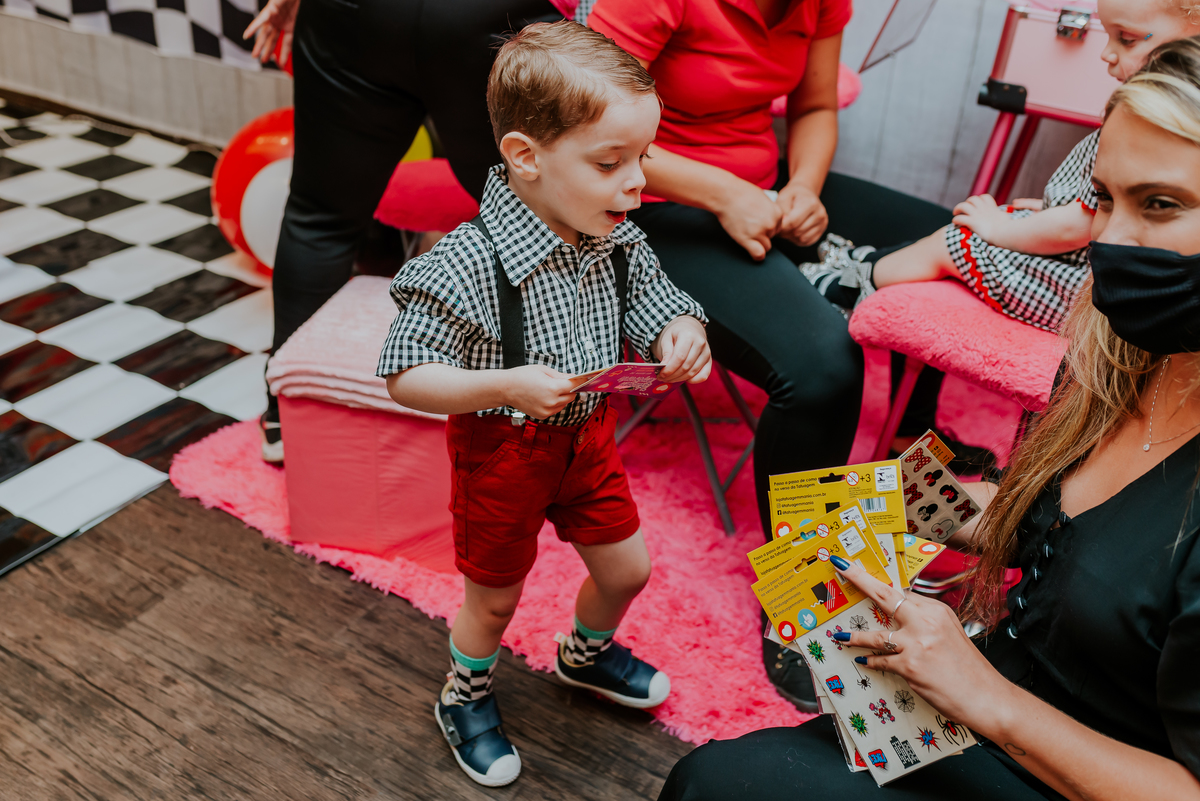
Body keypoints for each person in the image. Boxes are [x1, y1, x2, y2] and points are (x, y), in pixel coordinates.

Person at [656, 36, 1200, 800]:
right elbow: (1066, 526)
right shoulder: (1120, 358)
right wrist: (890, 501)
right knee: (717, 778)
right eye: (1102, 200)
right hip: (983, 703)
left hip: (1068, 762)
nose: (1108, 243)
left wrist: (987, 697)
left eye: (1162, 204)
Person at [585, 0, 967, 712]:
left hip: (761, 185)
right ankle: (805, 595)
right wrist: (725, 193)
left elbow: (816, 102)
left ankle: (913, 447)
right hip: (649, 204)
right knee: (822, 366)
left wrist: (804, 190)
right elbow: (587, 130)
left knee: (953, 245)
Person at [377, 22, 711, 788]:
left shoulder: (619, 239)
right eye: (609, 162)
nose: (638, 183)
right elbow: (404, 373)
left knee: (627, 568)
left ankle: (583, 656)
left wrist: (682, 330)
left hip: (586, 440)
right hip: (502, 452)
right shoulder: (467, 261)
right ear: (525, 157)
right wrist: (504, 385)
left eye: (644, 158)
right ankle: (464, 694)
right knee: (493, 602)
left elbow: (662, 301)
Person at [242, 0, 564, 462]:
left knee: (321, 219)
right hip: (488, 15)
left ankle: (285, 416)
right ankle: (557, 414)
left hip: (353, 12)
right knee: (536, 216)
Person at [807, 0, 1200, 333]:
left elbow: (1078, 226)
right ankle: (864, 263)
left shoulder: (1145, 125)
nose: (1105, 53)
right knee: (1003, 218)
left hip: (1091, 296)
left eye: (1126, 39)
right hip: (1093, 269)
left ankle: (851, 285)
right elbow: (1085, 213)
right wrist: (1044, 215)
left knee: (958, 241)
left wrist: (999, 229)